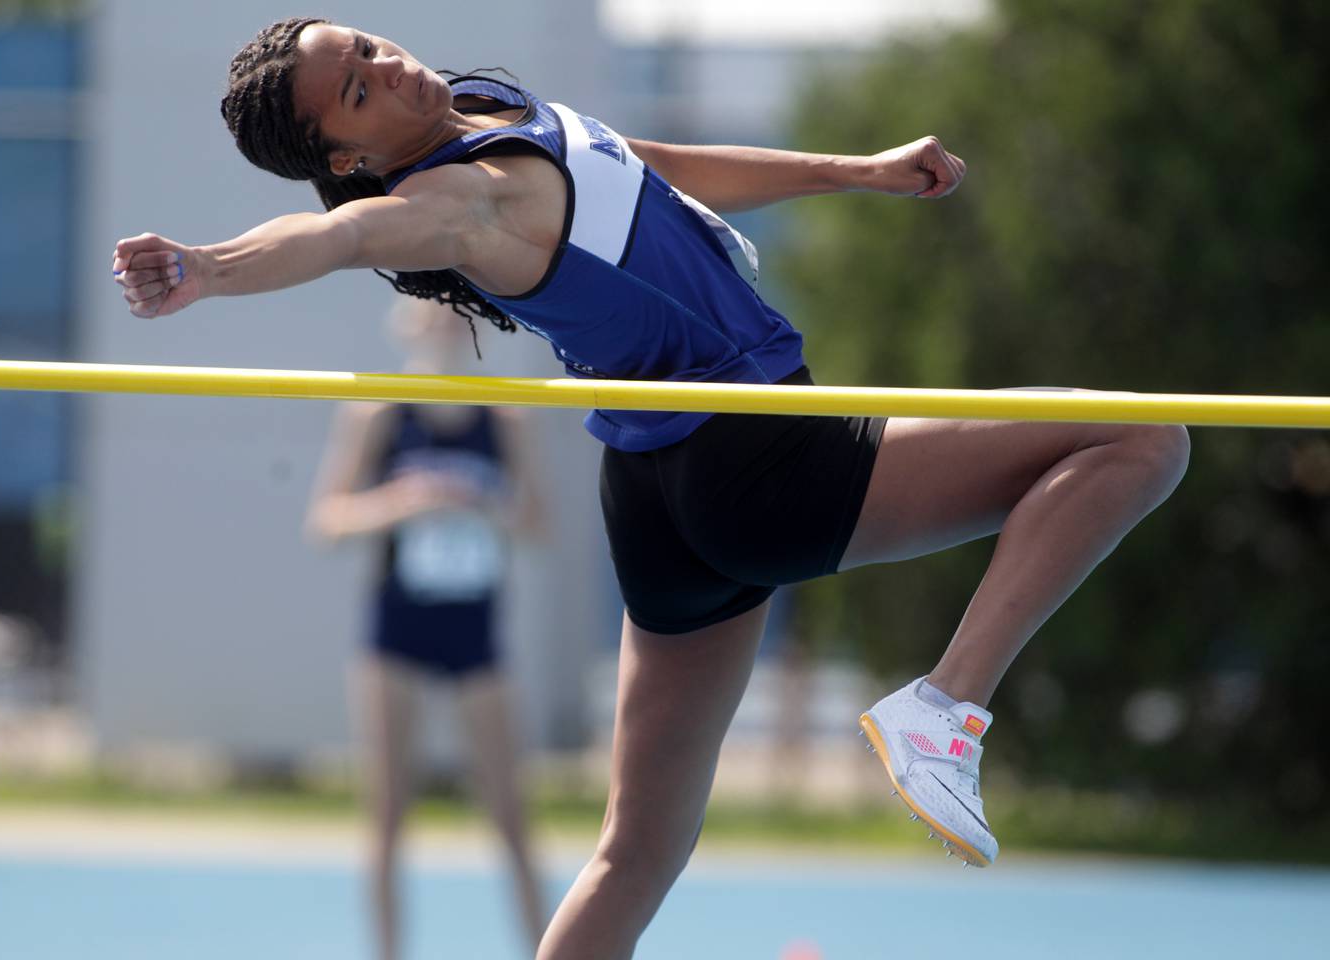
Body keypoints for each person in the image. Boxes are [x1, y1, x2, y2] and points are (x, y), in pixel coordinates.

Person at [112, 16, 1190, 958]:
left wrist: (852, 172)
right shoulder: (454, 205)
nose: (389, 70)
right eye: (358, 91)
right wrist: (208, 267)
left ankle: (937, 713)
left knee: (631, 860)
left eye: (367, 47)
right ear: (347, 157)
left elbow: (647, 164)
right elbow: (337, 237)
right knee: (1145, 439)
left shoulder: (487, 104)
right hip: (756, 459)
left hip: (659, 500)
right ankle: (945, 707)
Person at [304, 296, 547, 959]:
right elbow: (327, 519)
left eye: (457, 315)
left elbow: (537, 524)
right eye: (432, 313)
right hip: (396, 634)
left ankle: (547, 949)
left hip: (476, 633)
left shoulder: (505, 420)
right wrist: (402, 503)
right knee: (386, 816)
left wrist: (485, 505)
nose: (443, 325)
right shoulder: (379, 414)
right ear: (407, 324)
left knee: (511, 817)